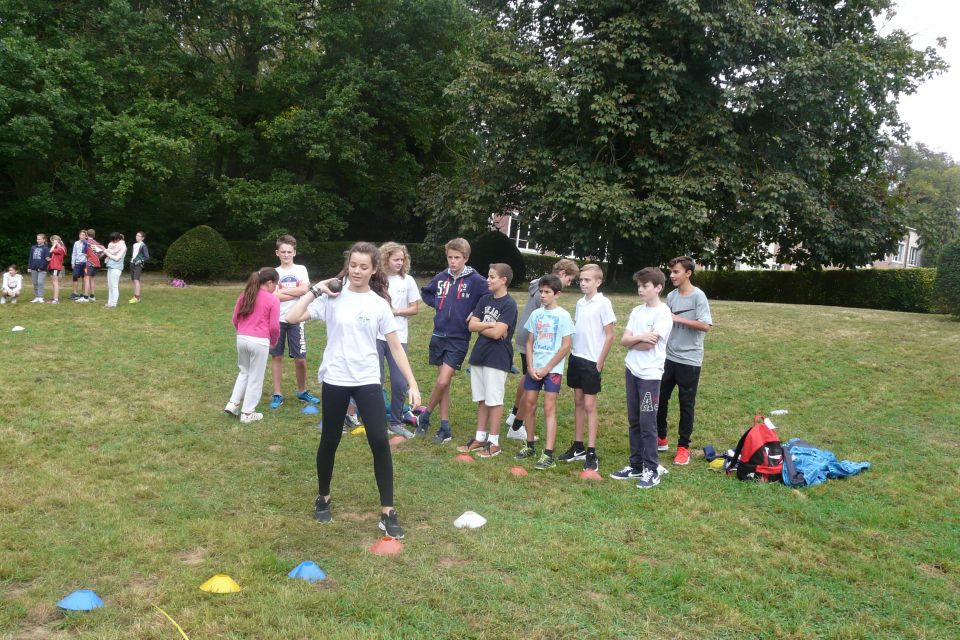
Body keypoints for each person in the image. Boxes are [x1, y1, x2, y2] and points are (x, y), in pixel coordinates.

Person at [285, 242, 422, 540]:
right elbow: (292, 317)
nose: (357, 271)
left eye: (363, 267)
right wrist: (316, 289)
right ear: (347, 265)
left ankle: (388, 511)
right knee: (330, 439)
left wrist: (412, 383)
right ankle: (323, 497)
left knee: (379, 441)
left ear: (374, 270)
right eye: (353, 265)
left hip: (367, 379)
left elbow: (395, 346)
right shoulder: (332, 297)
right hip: (335, 378)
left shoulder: (378, 304)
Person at [412, 237, 487, 443]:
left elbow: (489, 296)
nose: (452, 261)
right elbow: (426, 292)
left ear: (466, 258)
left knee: (444, 380)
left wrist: (476, 312)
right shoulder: (442, 277)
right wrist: (439, 304)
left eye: (457, 258)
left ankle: (425, 415)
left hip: (458, 337)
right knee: (442, 383)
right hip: (438, 335)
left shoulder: (475, 280)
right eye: (450, 257)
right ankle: (445, 426)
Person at [611, 267, 673, 489]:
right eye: (639, 285)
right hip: (632, 371)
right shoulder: (637, 311)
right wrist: (639, 338)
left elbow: (649, 345)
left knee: (647, 422)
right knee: (634, 420)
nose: (640, 289)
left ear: (658, 287)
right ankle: (636, 465)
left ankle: (652, 469)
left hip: (649, 377)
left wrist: (634, 341)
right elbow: (623, 340)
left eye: (645, 286)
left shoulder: (663, 313)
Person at [505, 259, 580, 442]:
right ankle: (517, 425)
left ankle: (514, 414)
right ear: (562, 273)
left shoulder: (539, 284)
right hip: (533, 343)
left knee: (527, 378)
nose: (569, 284)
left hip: (526, 338)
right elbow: (542, 323)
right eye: (569, 280)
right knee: (531, 379)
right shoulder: (546, 291)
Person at [556, 264, 616, 472]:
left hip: (592, 361)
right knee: (578, 402)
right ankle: (578, 446)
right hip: (577, 358)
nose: (583, 283)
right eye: (581, 280)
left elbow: (610, 335)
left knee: (590, 405)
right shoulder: (580, 303)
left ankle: (591, 451)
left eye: (587, 280)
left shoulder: (604, 303)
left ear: (598, 282)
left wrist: (600, 361)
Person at [456, 263, 518, 458]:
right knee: (482, 399)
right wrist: (490, 325)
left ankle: (494, 442)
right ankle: (480, 438)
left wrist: (482, 326)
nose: (488, 280)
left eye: (492, 277)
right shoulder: (484, 299)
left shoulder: (509, 304)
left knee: (494, 400)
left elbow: (498, 333)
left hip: (497, 358)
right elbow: (471, 326)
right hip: (479, 355)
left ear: (503, 280)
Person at [515, 274, 575, 470]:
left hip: (552, 370)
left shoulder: (563, 315)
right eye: (541, 291)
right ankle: (530, 445)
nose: (542, 295)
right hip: (534, 368)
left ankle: (548, 453)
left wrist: (547, 368)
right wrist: (530, 367)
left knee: (549, 408)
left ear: (557, 294)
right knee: (529, 404)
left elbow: (566, 346)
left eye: (547, 292)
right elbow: (529, 342)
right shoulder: (536, 314)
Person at [657, 256, 713, 465]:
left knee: (686, 404)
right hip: (668, 357)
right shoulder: (672, 296)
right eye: (671, 272)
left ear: (688, 273)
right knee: (660, 398)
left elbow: (706, 325)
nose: (671, 275)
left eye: (676, 272)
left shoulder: (699, 296)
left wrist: (677, 318)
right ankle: (661, 437)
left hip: (690, 359)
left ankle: (683, 447)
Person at [269, 235, 319, 409]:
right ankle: (277, 394)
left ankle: (302, 391)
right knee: (277, 357)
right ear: (277, 253)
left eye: (289, 252)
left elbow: (306, 289)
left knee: (300, 359)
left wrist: (283, 292)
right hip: (277, 319)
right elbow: (273, 296)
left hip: (297, 319)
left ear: (294, 253)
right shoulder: (274, 273)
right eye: (283, 252)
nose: (286, 255)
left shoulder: (301, 269)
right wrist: (297, 292)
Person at [225, 267, 281, 424]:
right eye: (276, 284)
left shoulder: (245, 294)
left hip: (241, 338)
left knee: (244, 372)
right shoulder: (273, 300)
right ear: (269, 283)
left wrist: (242, 331)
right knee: (256, 377)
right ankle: (248, 413)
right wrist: (274, 341)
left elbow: (235, 318)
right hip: (259, 341)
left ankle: (233, 404)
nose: (276, 287)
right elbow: (274, 327)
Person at [377, 242, 420, 438]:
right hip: (376, 336)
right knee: (375, 380)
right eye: (396, 259)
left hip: (399, 336)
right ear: (385, 259)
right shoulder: (377, 279)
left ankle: (395, 422)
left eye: (402, 259)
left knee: (400, 382)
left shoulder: (407, 280)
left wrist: (395, 312)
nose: (400, 263)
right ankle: (377, 422)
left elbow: (415, 308)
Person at [103, 232, 127, 308]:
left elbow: (117, 258)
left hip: (117, 268)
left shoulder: (123, 246)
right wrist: (105, 251)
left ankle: (113, 304)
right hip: (110, 267)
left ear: (117, 239)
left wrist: (107, 253)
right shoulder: (112, 246)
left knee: (114, 286)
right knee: (110, 286)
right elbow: (110, 251)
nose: (112, 242)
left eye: (113, 240)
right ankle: (109, 303)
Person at [27, 233, 50, 303]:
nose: (38, 240)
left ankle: (41, 297)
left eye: (39, 239)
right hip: (33, 268)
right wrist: (29, 267)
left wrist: (41, 267)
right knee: (35, 283)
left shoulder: (46, 248)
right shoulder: (33, 247)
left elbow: (47, 259)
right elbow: (30, 258)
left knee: (40, 282)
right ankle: (37, 297)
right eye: (37, 239)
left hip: (42, 269)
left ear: (44, 240)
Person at [83, 229, 104, 302]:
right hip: (97, 263)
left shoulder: (86, 242)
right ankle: (92, 296)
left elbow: (85, 254)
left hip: (89, 263)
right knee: (92, 279)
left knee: (86, 278)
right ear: (94, 235)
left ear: (86, 234)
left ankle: (85, 297)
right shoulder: (96, 243)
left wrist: (89, 256)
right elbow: (102, 252)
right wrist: (98, 257)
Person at [128, 231, 150, 303]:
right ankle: (135, 296)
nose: (137, 237)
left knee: (136, 280)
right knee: (133, 280)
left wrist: (140, 260)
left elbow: (147, 257)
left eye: (139, 236)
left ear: (142, 238)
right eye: (136, 235)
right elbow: (134, 255)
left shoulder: (143, 245)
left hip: (138, 264)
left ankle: (137, 298)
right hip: (132, 263)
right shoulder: (134, 245)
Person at [48, 235, 66, 304]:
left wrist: (55, 244)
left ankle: (56, 299)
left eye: (52, 241)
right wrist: (50, 259)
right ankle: (54, 298)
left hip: (56, 267)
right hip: (52, 266)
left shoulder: (61, 248)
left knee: (55, 282)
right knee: (53, 282)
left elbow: (51, 250)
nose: (51, 243)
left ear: (56, 241)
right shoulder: (58, 248)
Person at [70, 230, 88, 301]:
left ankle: (83, 293)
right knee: (75, 277)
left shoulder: (88, 243)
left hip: (85, 263)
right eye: (80, 235)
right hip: (77, 263)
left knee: (84, 278)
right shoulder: (76, 243)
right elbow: (74, 253)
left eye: (83, 235)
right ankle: (75, 293)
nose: (81, 236)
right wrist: (73, 263)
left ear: (86, 236)